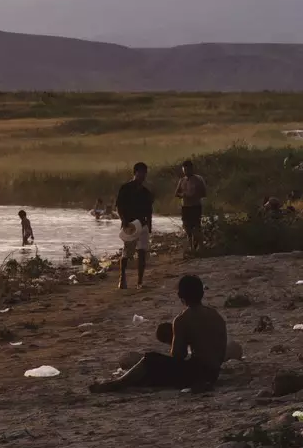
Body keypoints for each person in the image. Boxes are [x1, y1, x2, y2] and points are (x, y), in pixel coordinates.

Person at [91, 274, 228, 392]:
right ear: (201, 293)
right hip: (214, 372)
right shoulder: (215, 315)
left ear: (180, 295)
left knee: (150, 359)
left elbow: (178, 356)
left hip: (197, 374)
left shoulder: (182, 319)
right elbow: (218, 350)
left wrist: (174, 340)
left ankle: (117, 383)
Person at [115, 161, 153, 289]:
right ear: (135, 173)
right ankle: (122, 277)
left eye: (145, 173)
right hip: (130, 224)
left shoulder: (146, 192)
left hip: (142, 224)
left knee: (142, 252)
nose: (143, 176)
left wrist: (149, 225)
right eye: (141, 173)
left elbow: (149, 210)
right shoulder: (125, 188)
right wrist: (124, 221)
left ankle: (140, 282)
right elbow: (119, 207)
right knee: (127, 253)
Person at [174, 160, 207, 253]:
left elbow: (204, 193)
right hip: (185, 206)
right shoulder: (182, 180)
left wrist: (194, 195)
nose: (186, 172)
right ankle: (191, 247)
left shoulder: (198, 179)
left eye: (187, 169)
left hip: (195, 206)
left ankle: (201, 247)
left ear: (192, 169)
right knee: (187, 227)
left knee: (196, 226)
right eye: (184, 170)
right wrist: (183, 195)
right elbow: (176, 193)